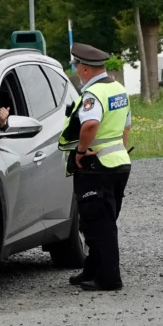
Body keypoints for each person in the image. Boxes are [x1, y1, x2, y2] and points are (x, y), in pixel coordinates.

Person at [58, 43, 132, 292]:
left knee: (99, 225)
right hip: (118, 164)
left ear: (85, 69)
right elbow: (126, 127)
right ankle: (92, 270)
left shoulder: (93, 94)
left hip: (96, 166)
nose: (76, 70)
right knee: (100, 221)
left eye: (77, 66)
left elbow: (90, 125)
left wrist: (80, 151)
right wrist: (117, 150)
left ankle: (109, 279)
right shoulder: (118, 89)